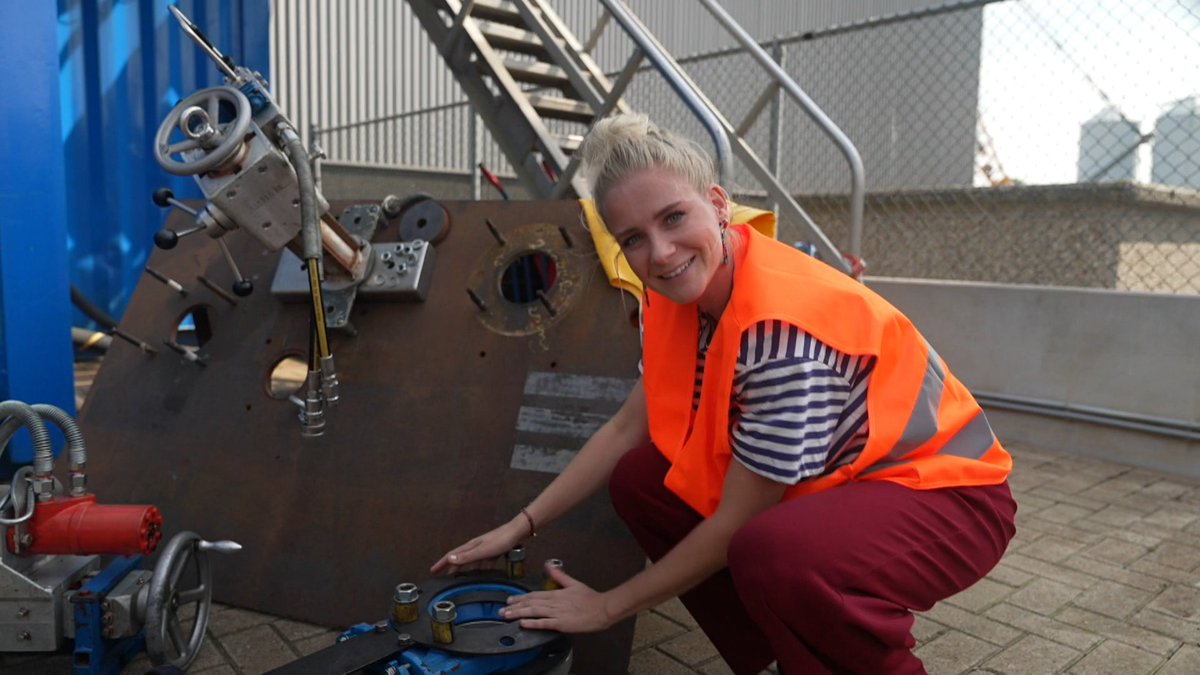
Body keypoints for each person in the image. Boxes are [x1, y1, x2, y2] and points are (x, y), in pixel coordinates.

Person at [431, 114, 1016, 674]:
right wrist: (521, 524)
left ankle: (847, 655)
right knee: (642, 478)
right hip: (844, 482)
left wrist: (606, 607)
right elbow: (624, 429)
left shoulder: (779, 338)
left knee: (773, 551)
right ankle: (791, 648)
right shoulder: (674, 296)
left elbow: (738, 522)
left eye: (673, 218)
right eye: (633, 238)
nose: (660, 253)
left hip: (949, 496)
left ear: (716, 204)